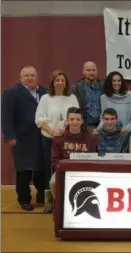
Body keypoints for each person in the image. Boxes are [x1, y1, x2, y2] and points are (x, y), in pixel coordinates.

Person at [1, 66, 47, 211]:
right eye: (26, 75)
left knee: (42, 169)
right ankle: (24, 199)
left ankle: (42, 196)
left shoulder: (45, 92)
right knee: (23, 171)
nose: (30, 78)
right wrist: (9, 135)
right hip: (21, 138)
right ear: (20, 78)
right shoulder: (11, 93)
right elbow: (6, 116)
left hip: (42, 137)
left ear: (37, 76)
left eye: (32, 75)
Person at [35, 70, 79, 213]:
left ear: (66, 83)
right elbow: (39, 120)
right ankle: (49, 201)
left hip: (65, 138)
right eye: (57, 80)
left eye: (62, 80)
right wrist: (52, 132)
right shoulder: (45, 98)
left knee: (65, 166)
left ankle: (65, 198)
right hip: (48, 137)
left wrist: (64, 129)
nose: (60, 82)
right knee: (49, 167)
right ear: (53, 83)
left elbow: (75, 116)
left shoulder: (72, 97)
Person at [49, 107, 97, 202]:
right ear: (67, 121)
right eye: (72, 119)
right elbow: (54, 160)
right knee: (53, 182)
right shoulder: (59, 137)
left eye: (78, 119)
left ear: (82, 121)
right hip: (63, 170)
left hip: (84, 170)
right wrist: (63, 169)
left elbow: (94, 158)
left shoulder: (89, 137)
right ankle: (60, 204)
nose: (75, 122)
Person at [71, 61, 105, 131]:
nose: (91, 72)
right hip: (85, 126)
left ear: (97, 71)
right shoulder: (76, 88)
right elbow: (74, 109)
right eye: (88, 70)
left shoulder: (104, 86)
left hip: (102, 125)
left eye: (93, 70)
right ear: (83, 72)